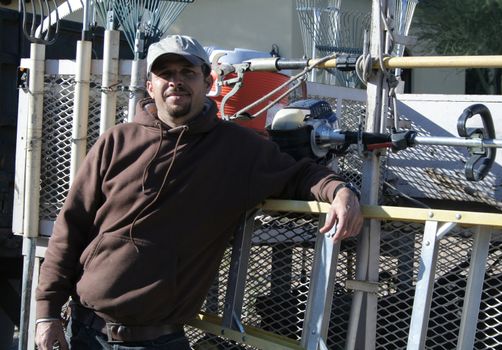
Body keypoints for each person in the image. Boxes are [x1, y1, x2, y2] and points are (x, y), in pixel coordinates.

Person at [35, 34, 363, 350]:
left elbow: (300, 174)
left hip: (159, 340)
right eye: (165, 74)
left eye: (188, 72)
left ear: (208, 83)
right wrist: (46, 314)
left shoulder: (237, 149)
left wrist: (341, 192)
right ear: (151, 86)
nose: (176, 81)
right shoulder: (116, 141)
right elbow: (70, 228)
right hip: (86, 333)